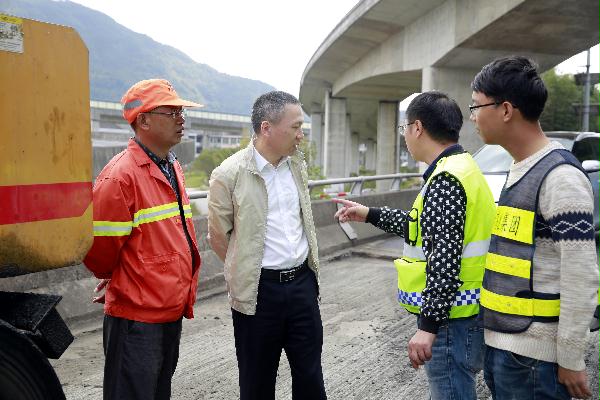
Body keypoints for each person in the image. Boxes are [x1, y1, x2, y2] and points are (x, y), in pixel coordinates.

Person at [334, 91, 495, 399]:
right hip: (468, 311)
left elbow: (444, 260)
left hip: (451, 319)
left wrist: (428, 326)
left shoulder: (446, 180)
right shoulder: (463, 167)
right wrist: (369, 214)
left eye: (404, 128)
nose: (405, 135)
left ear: (417, 128)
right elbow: (420, 227)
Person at [471, 56, 600, 400]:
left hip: (534, 360)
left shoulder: (561, 178)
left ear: (505, 110)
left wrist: (570, 358)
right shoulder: (522, 167)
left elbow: (581, 274)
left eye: (476, 106)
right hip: (506, 348)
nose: (472, 116)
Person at [83, 79, 202, 400]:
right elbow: (98, 252)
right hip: (136, 319)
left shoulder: (170, 166)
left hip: (168, 310)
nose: (181, 119)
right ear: (144, 120)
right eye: (172, 112)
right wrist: (125, 276)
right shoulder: (120, 176)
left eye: (181, 112)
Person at [208, 91, 326, 400]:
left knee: (311, 379)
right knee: (257, 383)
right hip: (258, 293)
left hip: (302, 286)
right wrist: (245, 269)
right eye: (295, 127)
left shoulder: (296, 166)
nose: (301, 135)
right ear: (266, 128)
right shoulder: (229, 174)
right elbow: (218, 236)